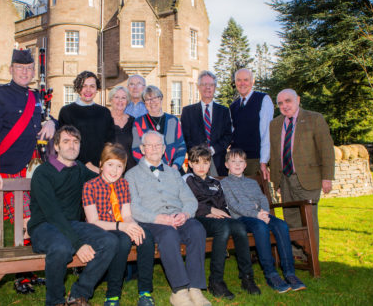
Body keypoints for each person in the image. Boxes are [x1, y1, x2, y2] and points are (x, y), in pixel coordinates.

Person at [0, 49, 56, 294]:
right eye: (20, 68)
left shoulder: (35, 96)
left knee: (34, 218)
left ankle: (27, 271)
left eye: (30, 68)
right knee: (26, 219)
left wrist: (53, 122)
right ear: (10, 69)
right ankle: (22, 274)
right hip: (9, 168)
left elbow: (44, 119)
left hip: (34, 168)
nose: (26, 72)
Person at [29, 125, 117, 306]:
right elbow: (52, 214)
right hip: (44, 226)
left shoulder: (79, 169)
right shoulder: (43, 173)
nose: (72, 145)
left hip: (71, 224)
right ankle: (55, 301)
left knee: (110, 242)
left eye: (76, 142)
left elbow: (103, 181)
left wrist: (113, 171)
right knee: (62, 247)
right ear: (57, 146)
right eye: (66, 141)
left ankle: (78, 295)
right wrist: (78, 245)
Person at [126, 131, 210, 306]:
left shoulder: (174, 174)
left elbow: (190, 200)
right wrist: (160, 218)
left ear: (164, 149)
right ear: (142, 149)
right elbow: (134, 208)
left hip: (178, 217)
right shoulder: (131, 175)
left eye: (158, 145)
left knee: (197, 229)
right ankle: (179, 291)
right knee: (168, 235)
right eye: (150, 145)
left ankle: (195, 289)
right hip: (151, 221)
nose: (155, 148)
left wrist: (185, 214)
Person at [220, 148, 306, 293]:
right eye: (233, 161)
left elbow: (262, 198)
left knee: (281, 225)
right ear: (227, 164)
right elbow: (234, 205)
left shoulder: (252, 182)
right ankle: (271, 274)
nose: (237, 164)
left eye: (241, 161)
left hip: (261, 214)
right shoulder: (225, 183)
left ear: (245, 165)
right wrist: (256, 214)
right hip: (242, 218)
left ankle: (289, 272)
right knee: (261, 227)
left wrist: (265, 212)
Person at [82, 143, 156, 306]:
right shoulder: (90, 186)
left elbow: (127, 215)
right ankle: (113, 295)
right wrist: (122, 227)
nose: (114, 171)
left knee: (146, 236)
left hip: (120, 226)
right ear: (101, 165)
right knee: (121, 242)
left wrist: (134, 227)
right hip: (100, 231)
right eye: (110, 165)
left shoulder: (123, 184)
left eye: (119, 166)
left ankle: (145, 292)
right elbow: (93, 221)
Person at [183, 145, 260, 299]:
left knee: (239, 227)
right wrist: (209, 211)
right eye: (197, 163)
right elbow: (187, 203)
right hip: (197, 218)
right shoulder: (186, 180)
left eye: (205, 163)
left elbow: (222, 204)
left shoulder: (215, 182)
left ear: (209, 163)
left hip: (219, 217)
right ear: (190, 164)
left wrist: (222, 213)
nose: (201, 167)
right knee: (223, 228)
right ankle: (216, 281)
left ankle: (247, 277)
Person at [269, 89, 334, 258]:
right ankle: (297, 254)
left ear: (298, 99)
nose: (284, 106)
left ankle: (311, 257)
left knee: (308, 219)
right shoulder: (275, 124)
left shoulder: (314, 119)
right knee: (290, 219)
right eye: (280, 103)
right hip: (285, 179)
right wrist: (277, 182)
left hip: (308, 178)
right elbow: (275, 154)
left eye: (288, 101)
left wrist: (327, 177)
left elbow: (326, 150)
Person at [58, 71, 114, 174]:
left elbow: (110, 141)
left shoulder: (104, 112)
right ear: (78, 88)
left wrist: (104, 165)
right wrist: (89, 165)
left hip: (101, 169)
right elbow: (67, 142)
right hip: (76, 168)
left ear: (97, 89)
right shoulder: (67, 111)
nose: (88, 90)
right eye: (84, 86)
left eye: (92, 86)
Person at [181, 71, 232, 176]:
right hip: (196, 164)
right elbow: (185, 138)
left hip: (218, 164)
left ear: (215, 87)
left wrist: (213, 150)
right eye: (204, 84)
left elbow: (228, 136)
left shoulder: (224, 111)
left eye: (211, 85)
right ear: (198, 87)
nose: (208, 87)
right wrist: (199, 154)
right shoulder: (188, 111)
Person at [229, 68, 273, 180]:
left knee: (257, 195)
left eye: (246, 80)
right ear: (235, 83)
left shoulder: (263, 99)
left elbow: (266, 133)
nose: (242, 83)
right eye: (239, 80)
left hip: (255, 160)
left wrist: (263, 161)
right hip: (237, 161)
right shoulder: (233, 106)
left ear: (252, 81)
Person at [131, 86, 186, 173]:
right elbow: (136, 150)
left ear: (161, 99)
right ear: (144, 103)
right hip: (149, 172)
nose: (152, 102)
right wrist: (151, 167)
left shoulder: (173, 120)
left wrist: (175, 166)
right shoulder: (139, 122)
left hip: (173, 170)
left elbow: (181, 146)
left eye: (155, 98)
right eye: (148, 99)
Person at [109, 86, 137, 171]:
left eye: (123, 98)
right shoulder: (103, 120)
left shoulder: (134, 122)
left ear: (127, 101)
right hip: (111, 171)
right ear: (111, 100)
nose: (120, 101)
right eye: (116, 97)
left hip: (131, 171)